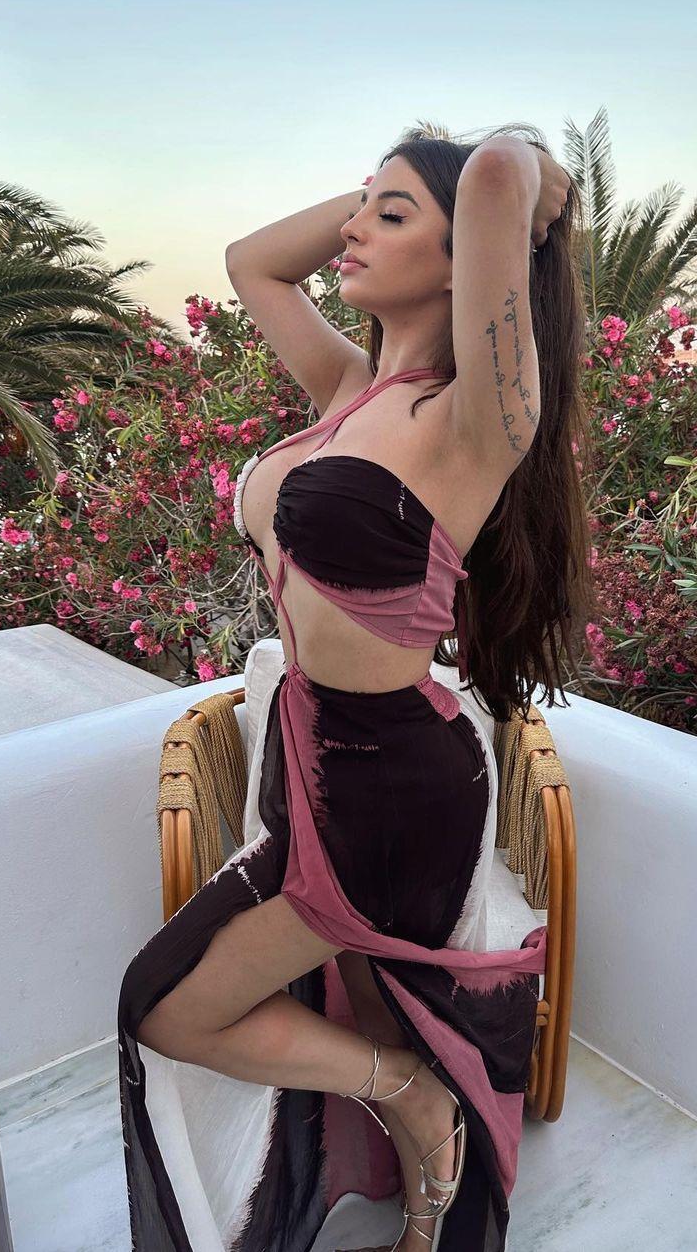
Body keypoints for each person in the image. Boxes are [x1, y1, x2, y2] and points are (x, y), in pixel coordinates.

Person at [118, 124, 599, 1251]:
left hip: (393, 792)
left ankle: (416, 1100)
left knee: (166, 1008)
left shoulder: (475, 420)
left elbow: (496, 172)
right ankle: (411, 1097)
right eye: (358, 208)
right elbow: (251, 263)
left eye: (391, 217)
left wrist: (529, 174)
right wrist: (387, 196)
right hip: (313, 766)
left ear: (465, 255)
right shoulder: (349, 388)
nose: (352, 232)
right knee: (180, 1006)